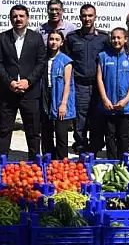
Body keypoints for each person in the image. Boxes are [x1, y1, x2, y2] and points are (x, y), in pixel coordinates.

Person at [0, 5, 46, 159]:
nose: (18, 19)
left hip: (30, 92)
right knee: (4, 130)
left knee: (33, 131)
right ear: (11, 19)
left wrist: (28, 81)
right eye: (15, 16)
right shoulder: (3, 38)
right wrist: (9, 82)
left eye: (21, 16)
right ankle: (1, 162)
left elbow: (41, 62)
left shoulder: (36, 38)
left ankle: (34, 162)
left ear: (27, 18)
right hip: (8, 92)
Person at [64, 4, 110, 155]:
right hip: (80, 85)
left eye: (90, 15)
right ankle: (81, 148)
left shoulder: (103, 38)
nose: (87, 18)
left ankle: (95, 148)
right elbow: (67, 61)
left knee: (97, 118)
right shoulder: (72, 38)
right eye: (84, 16)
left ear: (95, 17)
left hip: (98, 86)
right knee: (80, 119)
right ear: (80, 17)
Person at [97, 28, 129, 159]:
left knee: (123, 136)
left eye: (119, 38)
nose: (116, 40)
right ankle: (111, 162)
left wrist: (126, 100)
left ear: (125, 39)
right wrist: (105, 99)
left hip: (125, 106)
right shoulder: (103, 56)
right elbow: (99, 79)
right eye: (113, 38)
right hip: (108, 105)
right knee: (109, 136)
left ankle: (123, 163)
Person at [40, 30, 75, 160]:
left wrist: (63, 103)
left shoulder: (66, 61)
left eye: (56, 40)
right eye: (51, 39)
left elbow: (67, 84)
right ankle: (48, 158)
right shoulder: (43, 59)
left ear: (61, 42)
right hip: (46, 96)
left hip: (60, 97)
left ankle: (61, 161)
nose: (53, 42)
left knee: (61, 134)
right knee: (46, 131)